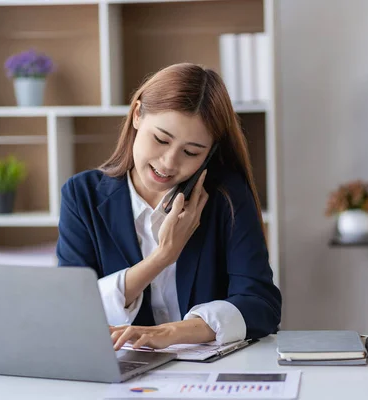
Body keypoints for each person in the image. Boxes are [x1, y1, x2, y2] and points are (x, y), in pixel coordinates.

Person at [56, 63, 281, 351]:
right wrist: (162, 256)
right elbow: (72, 308)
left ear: (210, 152)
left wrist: (172, 333)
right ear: (137, 115)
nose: (169, 163)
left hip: (208, 376)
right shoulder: (82, 195)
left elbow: (261, 305)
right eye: (161, 139)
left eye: (191, 152)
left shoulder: (227, 197)